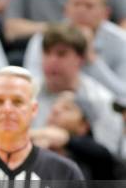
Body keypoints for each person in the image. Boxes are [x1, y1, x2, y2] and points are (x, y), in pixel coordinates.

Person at [24, 0, 126, 100]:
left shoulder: (120, 41)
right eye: (76, 4)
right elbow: (31, 85)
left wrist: (92, 60)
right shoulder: (44, 38)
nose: (81, 11)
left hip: (102, 107)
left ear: (106, 13)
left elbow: (123, 94)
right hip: (50, 104)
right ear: (66, 9)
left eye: (89, 6)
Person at [33, 23, 123, 155]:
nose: (52, 61)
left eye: (61, 54)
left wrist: (67, 141)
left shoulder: (100, 100)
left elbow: (110, 157)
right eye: (47, 53)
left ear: (80, 60)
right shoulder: (27, 93)